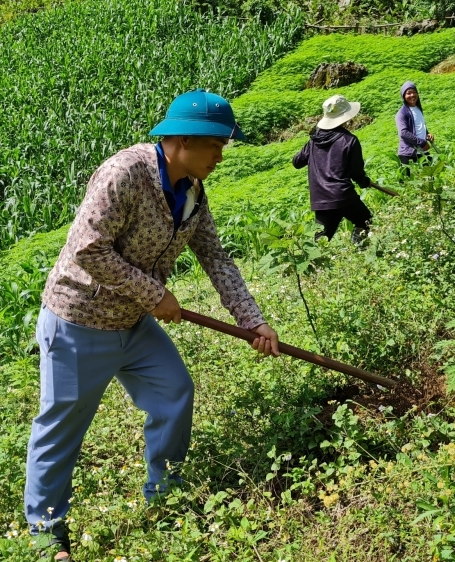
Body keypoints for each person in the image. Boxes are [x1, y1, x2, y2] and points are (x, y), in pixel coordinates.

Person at [24, 89, 280, 561]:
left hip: (132, 323)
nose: (221, 156)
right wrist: (154, 294)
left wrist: (253, 321)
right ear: (182, 139)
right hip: (79, 320)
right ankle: (45, 527)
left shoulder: (193, 192)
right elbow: (87, 248)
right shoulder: (124, 174)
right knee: (62, 425)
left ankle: (166, 492)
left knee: (174, 391)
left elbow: (215, 257)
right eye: (215, 145)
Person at [292, 94, 381, 244]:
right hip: (343, 195)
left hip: (321, 198)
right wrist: (364, 182)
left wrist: (311, 146)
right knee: (365, 220)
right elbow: (356, 172)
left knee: (320, 241)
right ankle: (358, 252)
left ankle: (312, 265)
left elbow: (297, 162)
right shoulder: (349, 140)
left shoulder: (314, 140)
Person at [395, 81, 434, 174]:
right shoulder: (402, 113)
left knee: (430, 178)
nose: (412, 95)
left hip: (422, 152)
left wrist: (427, 134)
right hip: (409, 154)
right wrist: (422, 143)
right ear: (403, 96)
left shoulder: (418, 108)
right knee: (407, 183)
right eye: (408, 93)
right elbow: (403, 133)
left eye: (414, 92)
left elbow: (419, 124)